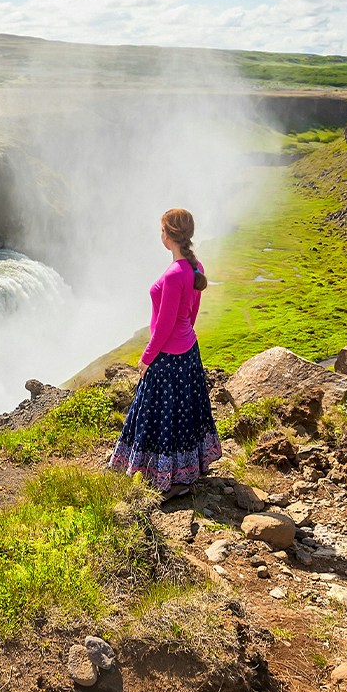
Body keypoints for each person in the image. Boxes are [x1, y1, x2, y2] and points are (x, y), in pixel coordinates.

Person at [109, 208, 223, 500]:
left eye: (162, 230)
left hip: (169, 357)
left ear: (169, 236)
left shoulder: (174, 275)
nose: (160, 235)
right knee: (183, 414)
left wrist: (147, 358)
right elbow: (191, 315)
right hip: (188, 353)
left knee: (159, 415)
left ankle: (167, 480)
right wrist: (184, 339)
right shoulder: (195, 268)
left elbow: (164, 325)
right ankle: (189, 468)